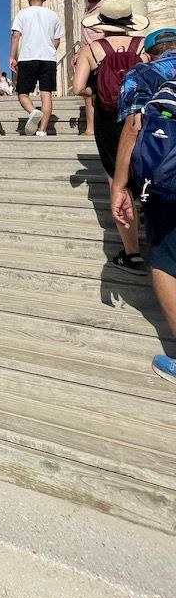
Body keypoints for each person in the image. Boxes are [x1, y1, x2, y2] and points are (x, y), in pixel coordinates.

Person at [111, 28, 176, 383]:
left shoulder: (144, 73)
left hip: (168, 181)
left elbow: (134, 127)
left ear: (149, 53)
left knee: (165, 260)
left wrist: (121, 185)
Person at [72, 0, 149, 272]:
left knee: (118, 182)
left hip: (109, 120)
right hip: (141, 116)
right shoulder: (143, 46)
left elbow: (77, 88)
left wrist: (99, 91)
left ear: (102, 23)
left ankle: (132, 253)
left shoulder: (91, 49)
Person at [9, 0, 63, 137]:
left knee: (23, 93)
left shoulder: (22, 13)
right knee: (46, 95)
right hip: (48, 58)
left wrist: (12, 57)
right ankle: (42, 130)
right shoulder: (53, 15)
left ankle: (33, 111)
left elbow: (16, 36)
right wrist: (49, 50)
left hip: (28, 57)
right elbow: (57, 40)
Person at [74, 0, 108, 136]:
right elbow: (86, 36)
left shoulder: (106, 8)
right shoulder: (88, 10)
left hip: (102, 54)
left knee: (102, 90)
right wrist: (79, 52)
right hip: (88, 56)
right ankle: (90, 128)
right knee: (86, 92)